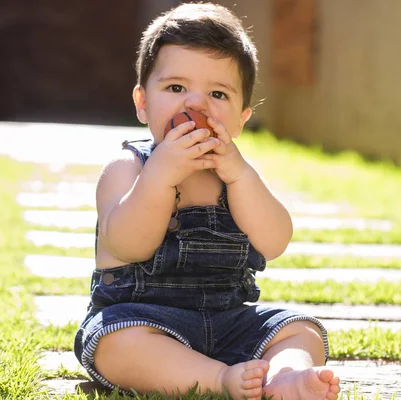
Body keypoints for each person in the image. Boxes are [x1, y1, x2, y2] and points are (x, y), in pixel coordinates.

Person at [73, 3, 341, 399]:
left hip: (229, 322)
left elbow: (276, 240)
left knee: (300, 328)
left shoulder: (235, 176)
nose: (196, 106)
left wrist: (240, 176)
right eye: (176, 88)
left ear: (241, 119)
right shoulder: (127, 169)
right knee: (114, 345)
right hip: (144, 323)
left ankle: (285, 377)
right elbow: (129, 244)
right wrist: (161, 174)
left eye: (218, 93)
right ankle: (221, 380)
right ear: (142, 102)